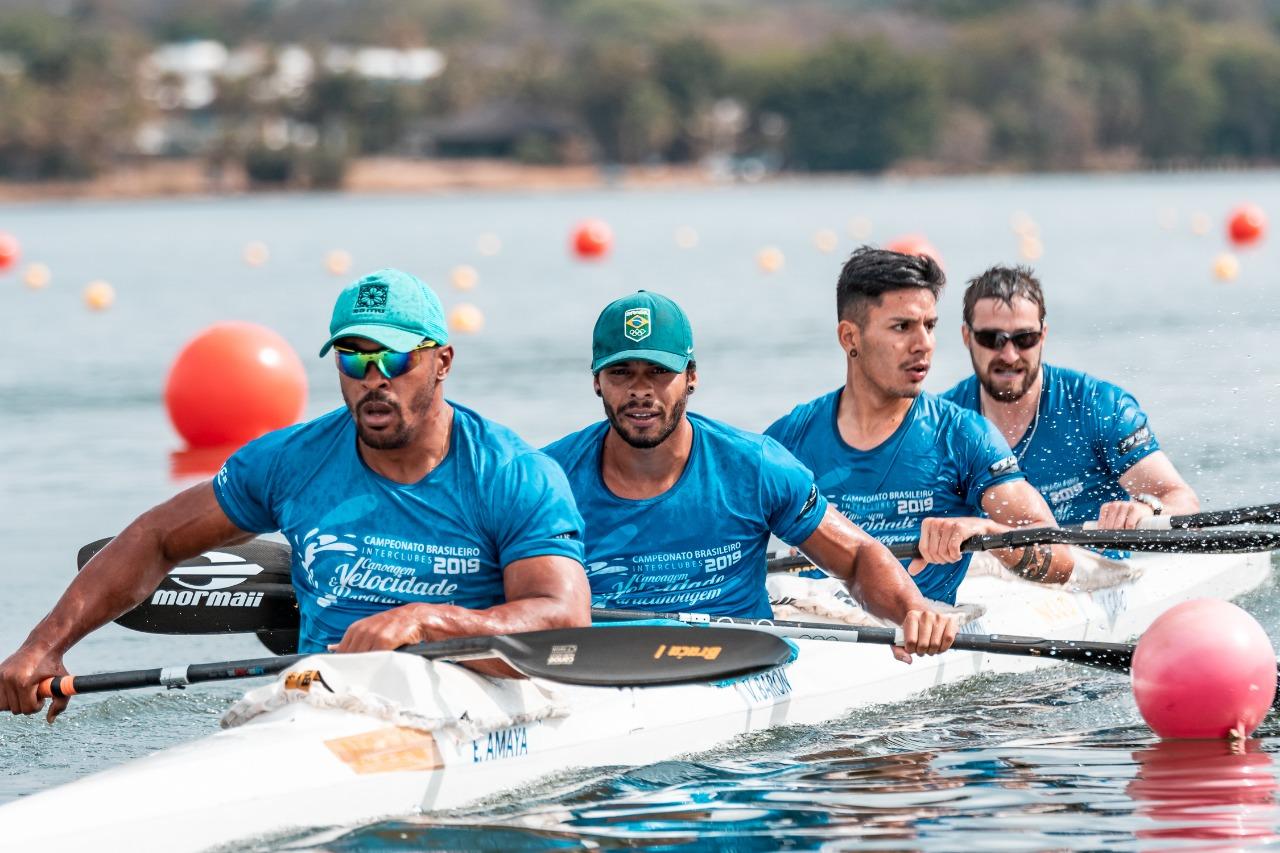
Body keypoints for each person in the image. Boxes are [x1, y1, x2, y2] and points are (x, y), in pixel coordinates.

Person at [0, 268, 590, 721]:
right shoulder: (290, 461)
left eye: (395, 357)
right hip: (316, 697)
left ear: (442, 361)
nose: (374, 378)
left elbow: (563, 620)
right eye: (354, 358)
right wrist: (43, 645)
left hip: (465, 696)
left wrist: (423, 621)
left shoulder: (513, 474)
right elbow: (155, 538)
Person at [542, 290, 956, 662]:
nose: (640, 390)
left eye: (658, 371)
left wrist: (911, 611)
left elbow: (858, 558)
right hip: (600, 669)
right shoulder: (547, 480)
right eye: (621, 373)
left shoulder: (755, 466)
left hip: (737, 667)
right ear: (597, 381)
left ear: (691, 377)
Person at [765, 247, 1075, 606]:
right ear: (850, 337)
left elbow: (1060, 560)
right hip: (821, 621)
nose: (924, 344)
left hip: (923, 628)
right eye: (903, 327)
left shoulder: (963, 437)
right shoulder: (789, 441)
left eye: (929, 326)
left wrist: (985, 530)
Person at [941, 264, 1199, 529]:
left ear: (1043, 336)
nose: (1009, 355)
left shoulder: (1098, 406)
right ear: (967, 337)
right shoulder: (939, 425)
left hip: (1095, 555)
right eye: (992, 339)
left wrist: (1148, 509)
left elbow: (1182, 501)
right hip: (993, 557)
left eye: (1025, 338)